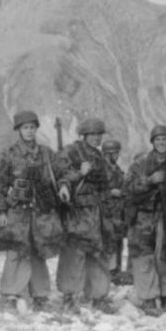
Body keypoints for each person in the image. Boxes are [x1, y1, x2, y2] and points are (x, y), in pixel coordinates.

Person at [0, 110, 63, 312]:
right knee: (16, 251)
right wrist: (1, 212)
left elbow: (60, 175)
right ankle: (10, 294)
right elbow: (0, 186)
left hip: (41, 211)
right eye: (25, 128)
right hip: (18, 211)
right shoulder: (8, 154)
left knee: (39, 251)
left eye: (32, 127)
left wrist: (65, 184)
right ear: (18, 130)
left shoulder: (47, 154)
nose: (29, 131)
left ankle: (40, 295)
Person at [125, 125, 166, 315]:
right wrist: (149, 181)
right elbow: (128, 188)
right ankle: (149, 299)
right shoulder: (140, 164)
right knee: (144, 257)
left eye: (165, 139)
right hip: (143, 218)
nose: (161, 143)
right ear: (152, 142)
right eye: (158, 139)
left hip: (165, 218)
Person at [55, 118, 114, 313]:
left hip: (97, 213)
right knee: (74, 255)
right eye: (93, 134)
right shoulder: (71, 151)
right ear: (84, 135)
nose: (97, 138)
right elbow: (59, 176)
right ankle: (69, 296)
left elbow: (104, 185)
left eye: (99, 134)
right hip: (77, 212)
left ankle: (98, 296)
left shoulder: (99, 156)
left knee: (98, 254)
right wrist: (79, 174)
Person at [101, 139, 129, 281]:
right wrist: (110, 192)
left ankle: (115, 270)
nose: (116, 155)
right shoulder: (101, 169)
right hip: (107, 212)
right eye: (114, 153)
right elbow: (95, 190)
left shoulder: (116, 169)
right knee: (109, 242)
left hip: (118, 212)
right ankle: (110, 271)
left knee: (117, 242)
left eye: (117, 153)